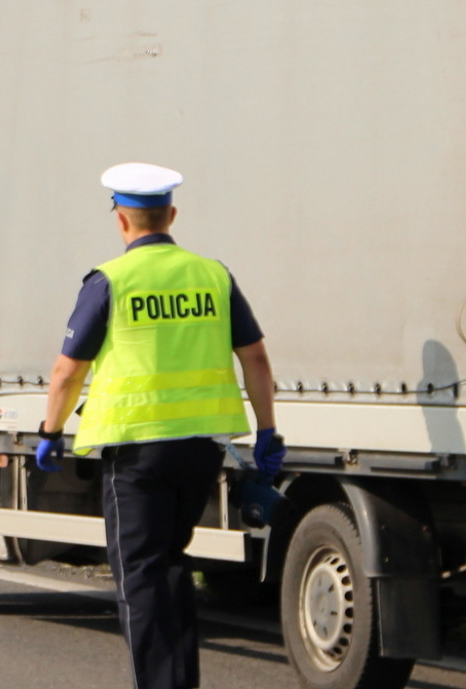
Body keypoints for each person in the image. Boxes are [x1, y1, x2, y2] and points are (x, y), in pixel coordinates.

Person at [36, 162, 284, 689]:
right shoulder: (213, 275)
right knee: (171, 567)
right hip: (200, 450)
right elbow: (256, 360)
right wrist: (266, 432)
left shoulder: (110, 281)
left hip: (137, 455)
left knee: (140, 576)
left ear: (120, 221)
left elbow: (66, 371)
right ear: (171, 215)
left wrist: (50, 432)